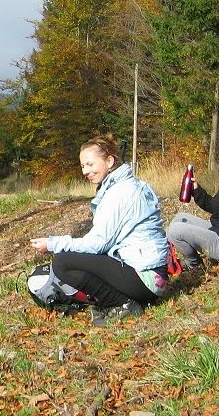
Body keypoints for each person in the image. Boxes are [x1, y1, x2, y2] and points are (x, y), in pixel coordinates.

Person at [29, 134, 170, 325]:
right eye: (82, 166)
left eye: (90, 164)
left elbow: (98, 244)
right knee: (73, 258)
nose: (85, 171)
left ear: (110, 161)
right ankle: (114, 300)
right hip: (151, 275)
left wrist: (53, 243)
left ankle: (123, 303)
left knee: (63, 262)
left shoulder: (120, 192)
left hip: (144, 278)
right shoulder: (129, 185)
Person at [167, 171, 219, 271]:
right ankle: (166, 261)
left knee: (176, 230)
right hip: (215, 230)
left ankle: (195, 267)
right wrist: (195, 189)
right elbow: (212, 206)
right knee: (181, 218)